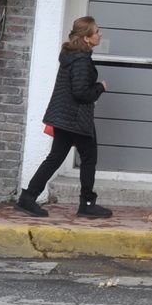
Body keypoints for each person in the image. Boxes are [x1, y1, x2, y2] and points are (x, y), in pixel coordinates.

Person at [16, 16, 113, 219]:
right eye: (96, 31)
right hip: (76, 119)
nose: (100, 34)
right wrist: (100, 87)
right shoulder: (81, 60)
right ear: (86, 38)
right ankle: (87, 204)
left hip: (65, 117)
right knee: (89, 158)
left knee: (55, 158)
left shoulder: (72, 56)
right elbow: (81, 92)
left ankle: (28, 197)